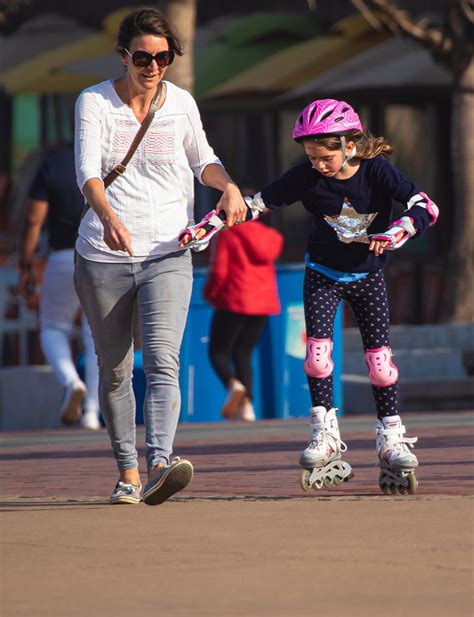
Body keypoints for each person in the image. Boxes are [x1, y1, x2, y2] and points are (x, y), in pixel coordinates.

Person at [180, 98, 439, 495]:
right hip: (322, 274)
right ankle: (325, 434)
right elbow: (254, 205)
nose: (318, 165)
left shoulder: (378, 173)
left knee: (381, 364)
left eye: (325, 157)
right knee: (317, 358)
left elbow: (426, 207)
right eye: (311, 157)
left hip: (368, 276)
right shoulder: (306, 177)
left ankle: (390, 438)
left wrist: (397, 232)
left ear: (348, 145)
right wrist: (211, 226)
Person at [73, 7, 247, 506]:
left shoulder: (181, 104)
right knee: (114, 368)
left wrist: (229, 186)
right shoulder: (95, 103)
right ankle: (127, 471)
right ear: (124, 56)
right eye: (143, 57)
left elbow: (203, 162)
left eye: (163, 57)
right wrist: (108, 218)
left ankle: (159, 463)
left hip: (170, 250)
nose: (152, 67)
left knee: (165, 360)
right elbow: (86, 172)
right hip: (103, 255)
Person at [18, 142, 101, 430]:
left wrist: (26, 263)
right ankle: (91, 412)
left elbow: (33, 220)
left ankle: (71, 381)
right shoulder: (107, 158)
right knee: (96, 336)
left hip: (63, 256)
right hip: (102, 257)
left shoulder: (53, 164)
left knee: (53, 326)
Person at [204, 204, 283, 422]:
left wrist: (210, 294)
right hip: (263, 304)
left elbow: (219, 271)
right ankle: (246, 407)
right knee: (244, 353)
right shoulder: (270, 236)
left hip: (235, 300)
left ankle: (233, 384)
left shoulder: (229, 234)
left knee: (218, 351)